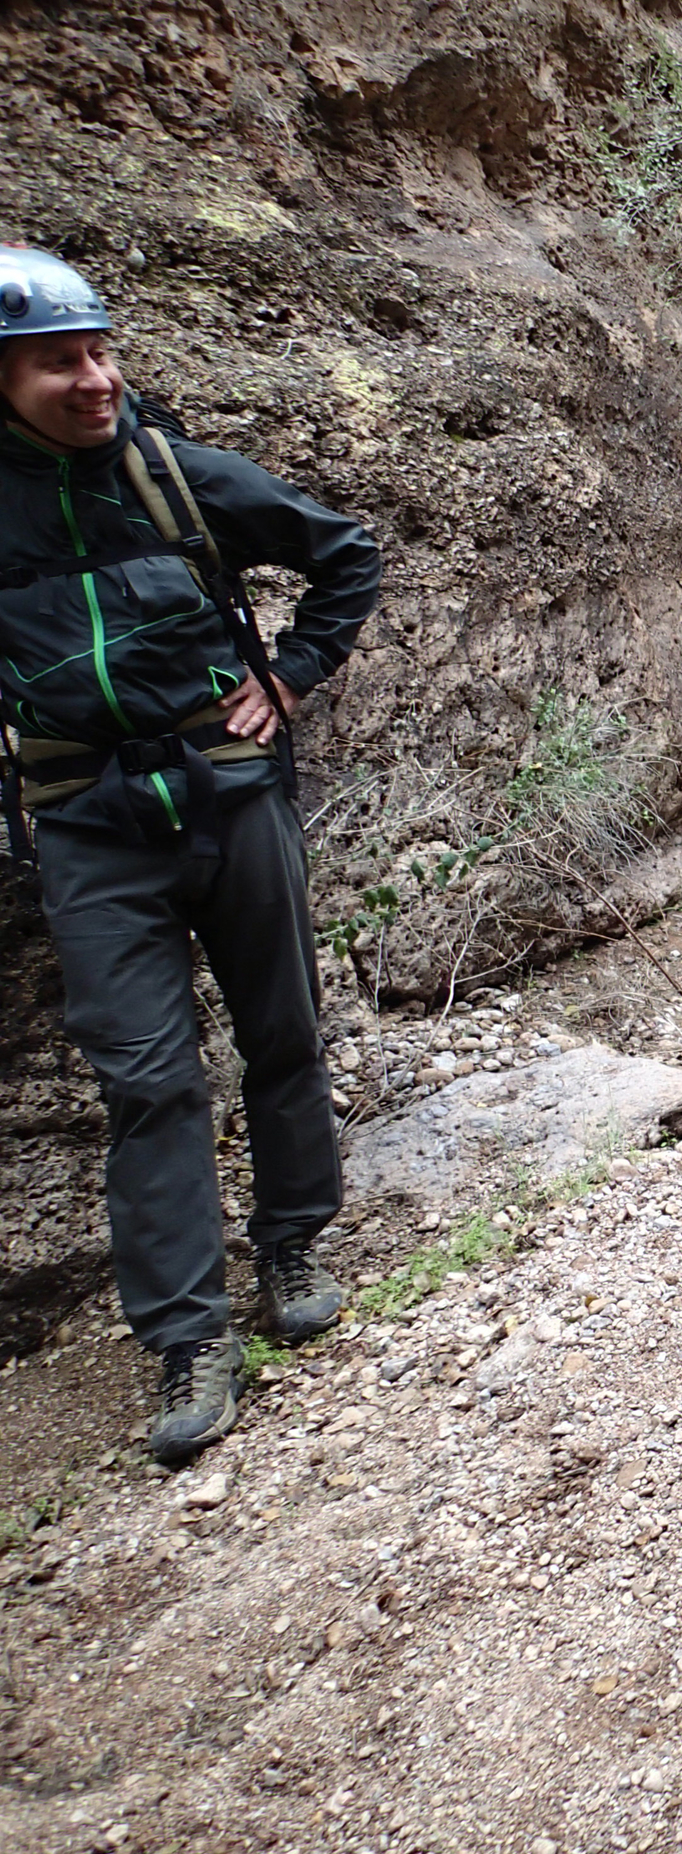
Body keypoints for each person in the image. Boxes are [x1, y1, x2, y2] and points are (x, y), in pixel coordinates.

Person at [0, 246, 379, 1465]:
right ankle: (184, 1335)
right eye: (63, 362)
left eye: (103, 352)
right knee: (147, 1080)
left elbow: (343, 554)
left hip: (229, 792)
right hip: (86, 825)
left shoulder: (175, 478)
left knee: (282, 1026)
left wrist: (293, 674)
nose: (96, 379)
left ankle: (294, 1242)